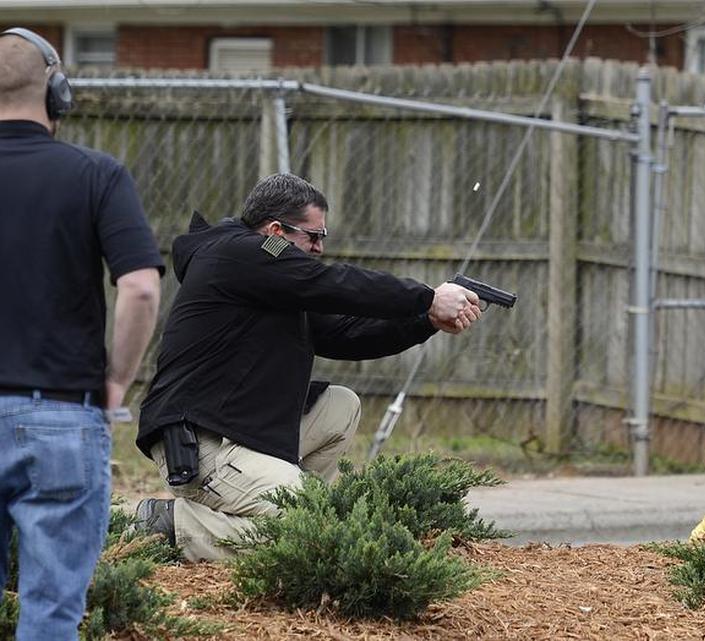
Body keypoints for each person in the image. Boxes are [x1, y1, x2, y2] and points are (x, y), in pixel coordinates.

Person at [134, 172, 480, 561]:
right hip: (203, 446)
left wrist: (425, 321)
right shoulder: (239, 254)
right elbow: (337, 283)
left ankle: (276, 506)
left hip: (241, 436)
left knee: (340, 405)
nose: (318, 248)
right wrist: (427, 298)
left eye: (322, 238)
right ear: (276, 231)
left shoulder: (266, 280)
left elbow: (346, 334)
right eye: (312, 236)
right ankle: (170, 525)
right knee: (313, 532)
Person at [0, 28, 164, 639]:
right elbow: (142, 288)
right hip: (61, 416)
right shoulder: (96, 174)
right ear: (57, 93)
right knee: (51, 614)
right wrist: (117, 379)